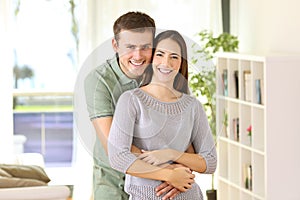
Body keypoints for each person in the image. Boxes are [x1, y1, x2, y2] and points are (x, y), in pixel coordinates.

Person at [108, 30, 217, 199]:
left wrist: (171, 154)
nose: (166, 63)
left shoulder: (192, 106)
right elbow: (118, 157)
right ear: (152, 58)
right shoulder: (131, 100)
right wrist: (169, 175)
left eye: (174, 57)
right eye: (160, 54)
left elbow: (209, 161)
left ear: (181, 63)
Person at [84, 12, 181, 199]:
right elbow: (115, 146)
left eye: (145, 47)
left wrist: (178, 167)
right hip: (114, 182)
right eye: (130, 47)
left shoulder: (162, 71)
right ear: (115, 45)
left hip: (157, 184)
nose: (137, 55)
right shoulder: (98, 80)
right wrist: (169, 171)